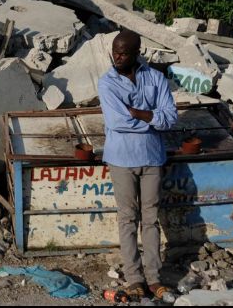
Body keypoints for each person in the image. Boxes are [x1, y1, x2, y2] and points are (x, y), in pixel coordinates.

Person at [98, 30, 178, 301]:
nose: (117, 57)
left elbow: (171, 119)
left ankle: (154, 278)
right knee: (128, 218)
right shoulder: (107, 83)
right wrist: (152, 118)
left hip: (152, 157)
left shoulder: (155, 78)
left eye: (123, 53)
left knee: (151, 219)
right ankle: (134, 278)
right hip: (121, 159)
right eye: (115, 52)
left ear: (137, 53)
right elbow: (117, 122)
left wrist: (137, 112)